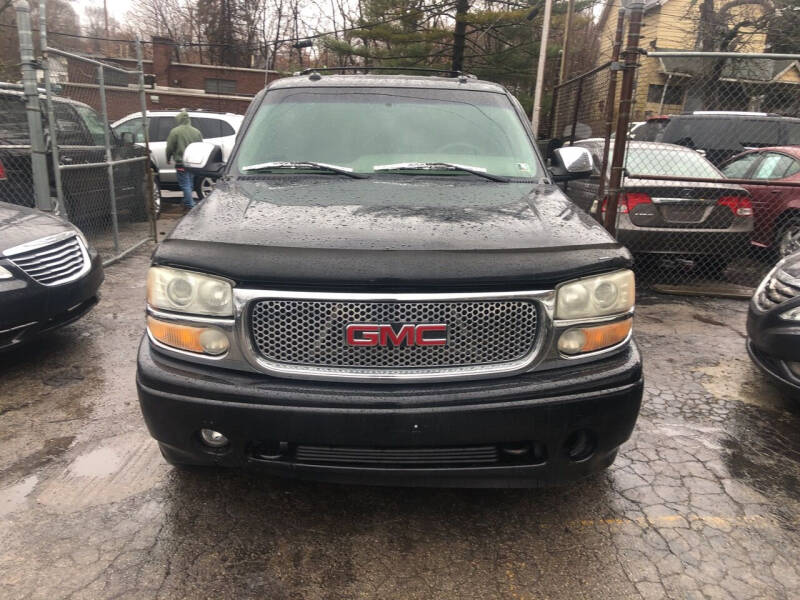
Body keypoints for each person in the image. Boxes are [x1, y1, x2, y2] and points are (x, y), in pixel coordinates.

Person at [165, 110, 203, 210]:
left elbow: (169, 147)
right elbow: (200, 147)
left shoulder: (175, 132)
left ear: (179, 120)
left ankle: (191, 205)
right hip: (193, 163)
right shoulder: (196, 132)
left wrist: (168, 158)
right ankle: (187, 201)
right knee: (189, 183)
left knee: (185, 184)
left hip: (181, 162)